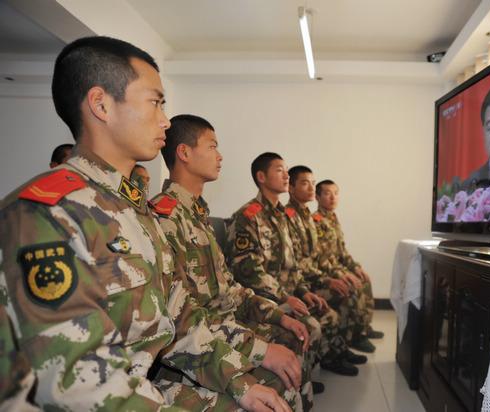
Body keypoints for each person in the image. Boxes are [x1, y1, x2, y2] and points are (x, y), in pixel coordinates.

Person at [0, 36, 294, 412]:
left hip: (138, 385)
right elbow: (72, 384)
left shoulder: (133, 210)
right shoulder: (46, 215)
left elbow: (178, 316)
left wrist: (238, 382)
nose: (165, 120)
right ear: (101, 105)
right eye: (155, 102)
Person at [151, 114, 311, 409]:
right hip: (197, 345)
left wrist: (277, 315)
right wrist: (260, 349)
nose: (220, 156)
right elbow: (181, 319)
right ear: (184, 153)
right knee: (279, 385)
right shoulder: (166, 219)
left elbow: (231, 290)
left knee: (293, 336)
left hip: (224, 327)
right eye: (212, 146)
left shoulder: (196, 215)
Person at [226, 153, 359, 381]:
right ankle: (297, 380)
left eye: (287, 170)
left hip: (287, 293)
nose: (286, 175)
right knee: (311, 325)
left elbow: (292, 265)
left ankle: (307, 372)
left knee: (326, 311)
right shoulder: (248, 216)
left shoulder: (281, 216)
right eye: (279, 170)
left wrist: (303, 291)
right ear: (261, 177)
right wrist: (285, 297)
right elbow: (248, 271)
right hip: (262, 299)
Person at [286, 166, 368, 364]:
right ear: (291, 187)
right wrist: (328, 279)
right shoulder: (289, 217)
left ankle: (342, 345)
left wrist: (339, 274)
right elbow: (297, 262)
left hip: (311, 277)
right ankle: (332, 354)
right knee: (344, 294)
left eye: (313, 183)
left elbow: (323, 256)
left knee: (350, 287)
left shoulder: (306, 216)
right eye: (305, 183)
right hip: (302, 282)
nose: (311, 188)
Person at [313, 180, 384, 353]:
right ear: (317, 197)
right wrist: (342, 274)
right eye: (327, 193)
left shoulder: (333, 218)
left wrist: (355, 267)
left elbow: (342, 252)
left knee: (364, 279)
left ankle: (364, 326)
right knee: (353, 288)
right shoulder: (316, 221)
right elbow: (321, 259)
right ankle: (354, 336)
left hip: (337, 268)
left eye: (336, 193)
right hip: (326, 271)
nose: (333, 197)